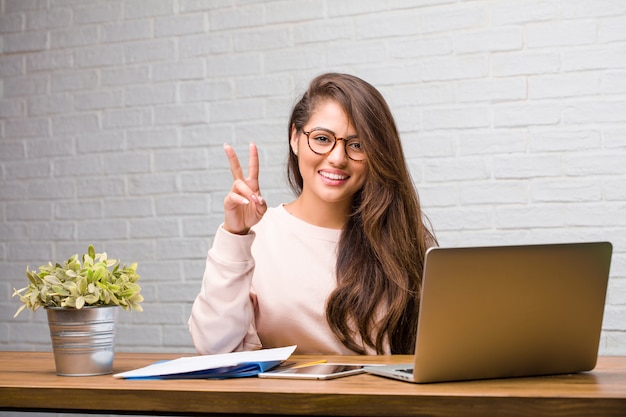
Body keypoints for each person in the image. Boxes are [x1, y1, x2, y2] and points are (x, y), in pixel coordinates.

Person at [189, 73, 436, 356]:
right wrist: (235, 235)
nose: (337, 157)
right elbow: (214, 349)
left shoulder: (402, 238)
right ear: (295, 138)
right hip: (289, 399)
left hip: (383, 399)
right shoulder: (255, 236)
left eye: (357, 145)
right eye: (322, 139)